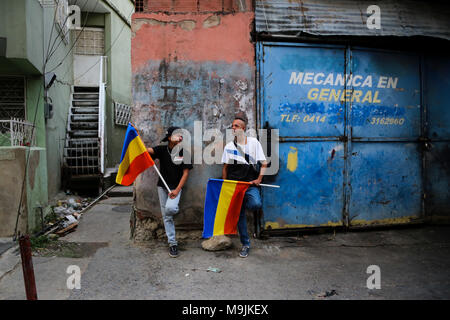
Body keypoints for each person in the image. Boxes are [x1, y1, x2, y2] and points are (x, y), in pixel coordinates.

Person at [221, 112, 268, 258]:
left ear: (243, 129)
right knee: (240, 215)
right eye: (232, 126)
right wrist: (225, 185)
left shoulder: (254, 143)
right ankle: (245, 244)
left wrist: (259, 179)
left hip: (250, 184)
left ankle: (241, 205)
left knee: (255, 204)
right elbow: (225, 168)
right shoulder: (229, 146)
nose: (233, 128)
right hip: (235, 186)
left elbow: (264, 163)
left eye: (236, 126)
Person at [147, 126, 193, 258]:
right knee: (167, 216)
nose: (180, 136)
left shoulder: (185, 152)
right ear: (169, 138)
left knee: (170, 209)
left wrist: (177, 190)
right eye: (177, 134)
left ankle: (171, 209)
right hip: (162, 187)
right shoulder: (161, 150)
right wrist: (136, 138)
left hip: (175, 188)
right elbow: (147, 151)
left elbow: (185, 173)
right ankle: (172, 243)